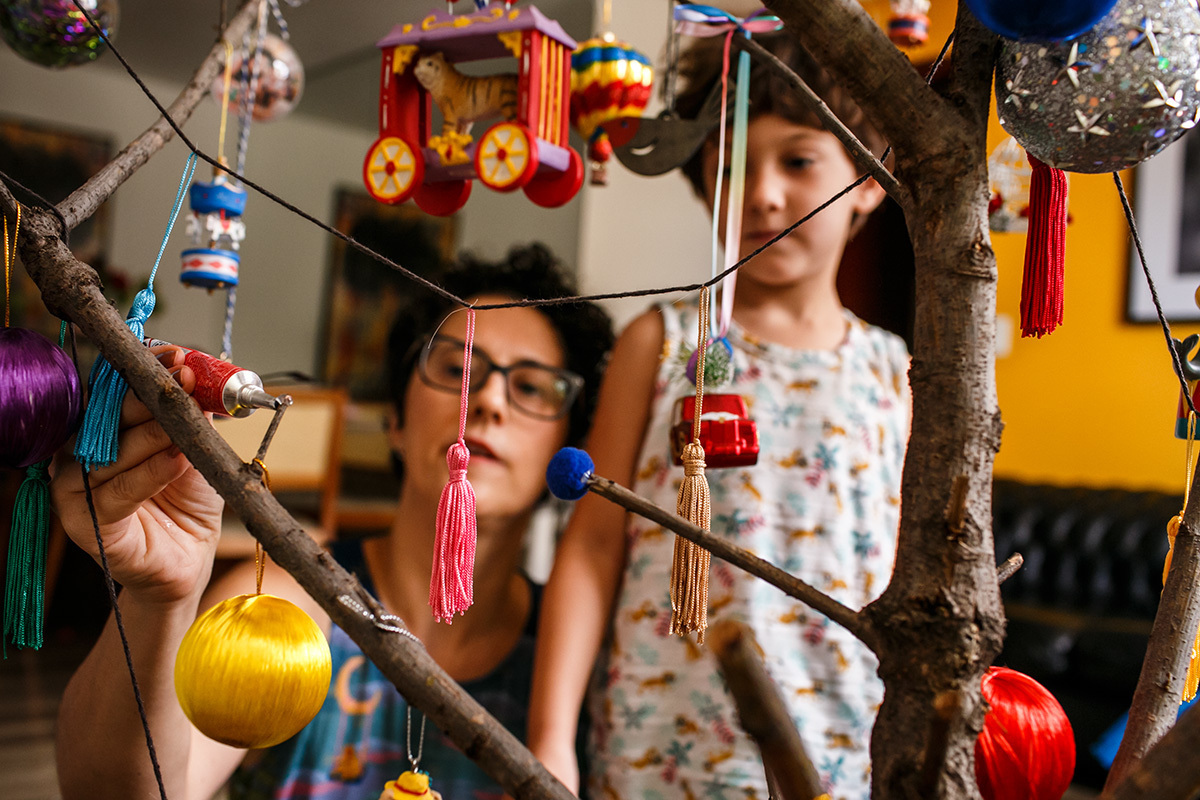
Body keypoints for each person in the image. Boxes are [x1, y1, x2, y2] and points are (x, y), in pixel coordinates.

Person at [52, 244, 614, 800]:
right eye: (457, 369)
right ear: (394, 420)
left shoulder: (580, 669)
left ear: (567, 454)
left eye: (533, 387)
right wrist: (161, 598)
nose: (488, 400)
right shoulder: (287, 605)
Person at [527, 33, 910, 800]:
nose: (761, 194)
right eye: (731, 165)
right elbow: (593, 547)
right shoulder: (659, 342)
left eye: (799, 162)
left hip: (845, 746)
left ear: (868, 182)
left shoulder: (894, 371)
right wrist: (549, 740)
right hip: (659, 742)